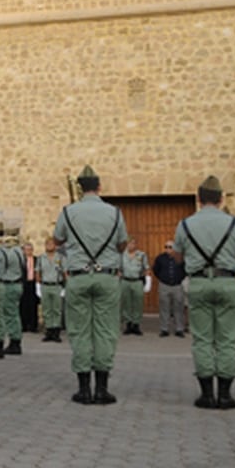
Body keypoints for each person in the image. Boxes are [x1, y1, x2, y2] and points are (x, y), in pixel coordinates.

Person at [171, 175, 235, 409]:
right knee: (227, 339)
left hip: (199, 282)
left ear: (198, 199)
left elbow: (177, 257)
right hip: (226, 281)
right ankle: (225, 395)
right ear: (220, 198)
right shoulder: (234, 223)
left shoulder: (185, 224)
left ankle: (206, 394)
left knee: (202, 338)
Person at [53, 165, 128, 405]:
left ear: (80, 188)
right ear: (99, 186)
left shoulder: (68, 211)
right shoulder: (114, 212)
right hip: (106, 275)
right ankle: (103, 388)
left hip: (78, 275)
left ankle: (84, 388)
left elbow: (56, 240)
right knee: (105, 331)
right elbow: (122, 244)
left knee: (80, 330)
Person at [153, 240, 187, 337]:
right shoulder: (160, 258)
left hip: (177, 286)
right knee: (164, 308)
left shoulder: (180, 258)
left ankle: (179, 329)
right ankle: (164, 329)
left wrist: (180, 278)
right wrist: (162, 278)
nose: (168, 249)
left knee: (179, 308)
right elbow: (156, 270)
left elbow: (185, 270)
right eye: (166, 247)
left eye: (170, 247)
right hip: (164, 286)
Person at [36, 236, 65, 341]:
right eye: (47, 244)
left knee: (57, 309)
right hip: (45, 285)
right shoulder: (41, 258)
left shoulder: (60, 257)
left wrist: (65, 284)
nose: (49, 246)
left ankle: (56, 331)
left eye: (52, 244)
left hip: (56, 285)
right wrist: (38, 282)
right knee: (47, 309)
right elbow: (38, 271)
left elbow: (64, 271)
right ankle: (49, 330)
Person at [120, 239, 150, 335]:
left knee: (138, 303)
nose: (131, 245)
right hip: (125, 281)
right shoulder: (121, 255)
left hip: (137, 281)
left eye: (133, 243)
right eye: (129, 243)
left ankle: (136, 325)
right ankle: (128, 324)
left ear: (136, 244)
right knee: (126, 303)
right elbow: (118, 269)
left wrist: (147, 280)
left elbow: (146, 268)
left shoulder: (141, 255)